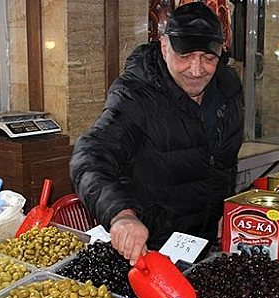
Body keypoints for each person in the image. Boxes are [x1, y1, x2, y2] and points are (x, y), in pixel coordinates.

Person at [70, 2, 244, 265]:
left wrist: (228, 209)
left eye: (208, 58)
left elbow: (224, 162)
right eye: (185, 56)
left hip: (206, 247)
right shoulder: (134, 94)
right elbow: (90, 157)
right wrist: (120, 214)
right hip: (151, 251)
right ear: (164, 47)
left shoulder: (228, 87)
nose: (196, 70)